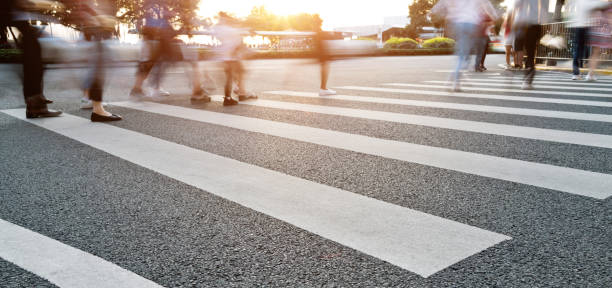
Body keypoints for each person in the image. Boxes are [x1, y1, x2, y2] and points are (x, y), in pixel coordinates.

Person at [1, 0, 62, 118]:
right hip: (13, 15)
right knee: (33, 62)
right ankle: (36, 104)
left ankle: (35, 103)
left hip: (15, 17)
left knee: (33, 61)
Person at [432, 0, 497, 91]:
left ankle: (454, 80)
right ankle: (454, 82)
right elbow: (487, 4)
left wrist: (437, 11)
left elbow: (442, 4)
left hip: (458, 24)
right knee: (464, 57)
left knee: (462, 54)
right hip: (471, 25)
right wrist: (494, 15)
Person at [75, 0, 121, 122]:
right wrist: (96, 18)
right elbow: (85, 6)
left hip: (94, 26)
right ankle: (96, 107)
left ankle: (93, 103)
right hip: (94, 27)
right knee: (98, 65)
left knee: (98, 63)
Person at [213, 13, 257, 106]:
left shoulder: (220, 29)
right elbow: (239, 31)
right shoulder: (229, 30)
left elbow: (237, 33)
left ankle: (239, 91)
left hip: (228, 56)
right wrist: (249, 30)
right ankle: (230, 97)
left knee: (240, 71)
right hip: (230, 57)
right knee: (231, 76)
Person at [512, 0, 549, 90]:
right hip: (533, 24)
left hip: (523, 23)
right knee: (531, 53)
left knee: (523, 49)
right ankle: (527, 79)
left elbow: (516, 5)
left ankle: (523, 71)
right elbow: (544, 7)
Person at [585, 3, 612, 81]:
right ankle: (590, 74)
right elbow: (610, 20)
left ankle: (590, 74)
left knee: (595, 53)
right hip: (602, 32)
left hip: (594, 31)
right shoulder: (609, 7)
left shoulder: (598, 5)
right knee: (598, 53)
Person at [315, 30, 336, 96]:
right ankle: (323, 89)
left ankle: (323, 88)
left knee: (324, 63)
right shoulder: (318, 30)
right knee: (325, 63)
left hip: (318, 38)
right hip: (318, 38)